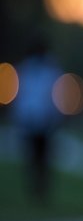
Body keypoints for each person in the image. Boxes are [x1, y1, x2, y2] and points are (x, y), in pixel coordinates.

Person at [13, 38, 62, 203]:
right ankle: (32, 192)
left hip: (44, 122)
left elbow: (54, 97)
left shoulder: (50, 72)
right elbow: (22, 97)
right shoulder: (26, 70)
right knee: (31, 158)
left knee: (43, 160)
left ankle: (42, 193)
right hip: (29, 121)